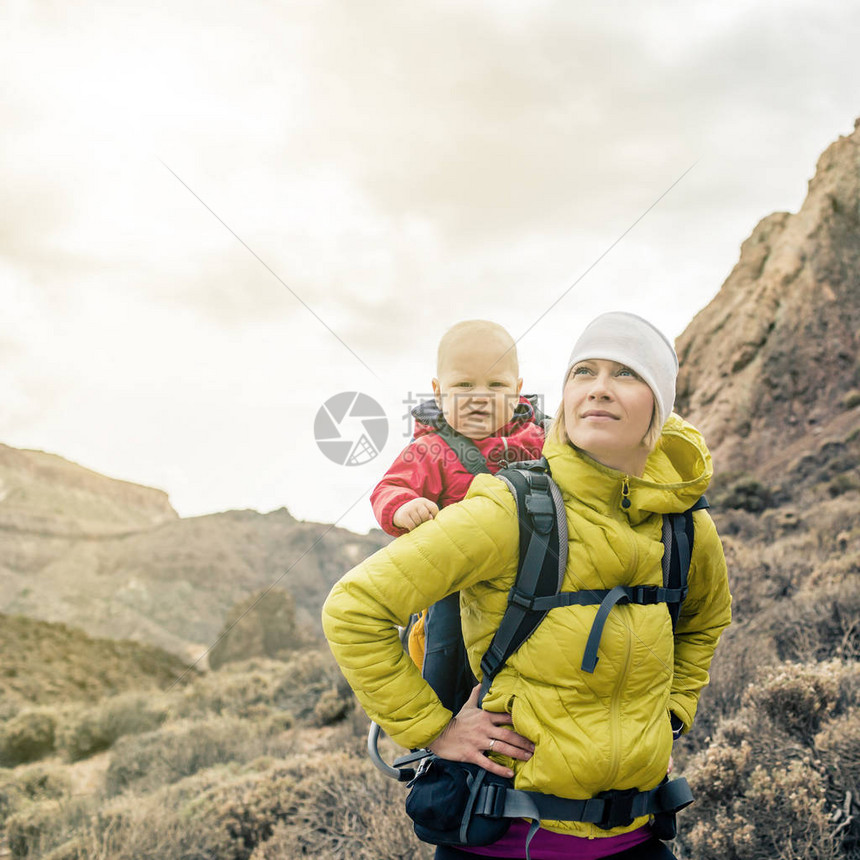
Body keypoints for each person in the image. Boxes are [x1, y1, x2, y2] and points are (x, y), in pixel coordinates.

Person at [323, 312, 732, 859]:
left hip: (641, 837)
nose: (600, 389)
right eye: (584, 371)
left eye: (628, 374)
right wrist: (436, 730)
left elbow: (704, 621)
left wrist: (671, 715)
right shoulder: (507, 503)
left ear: (660, 400)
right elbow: (354, 608)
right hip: (505, 841)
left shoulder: (686, 523)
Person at [370, 319, 545, 537]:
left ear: (517, 390)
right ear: (438, 393)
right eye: (464, 385)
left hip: (536, 562)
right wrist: (404, 506)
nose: (481, 397)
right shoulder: (431, 450)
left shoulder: (541, 436)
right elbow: (389, 488)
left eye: (496, 384)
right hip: (468, 564)